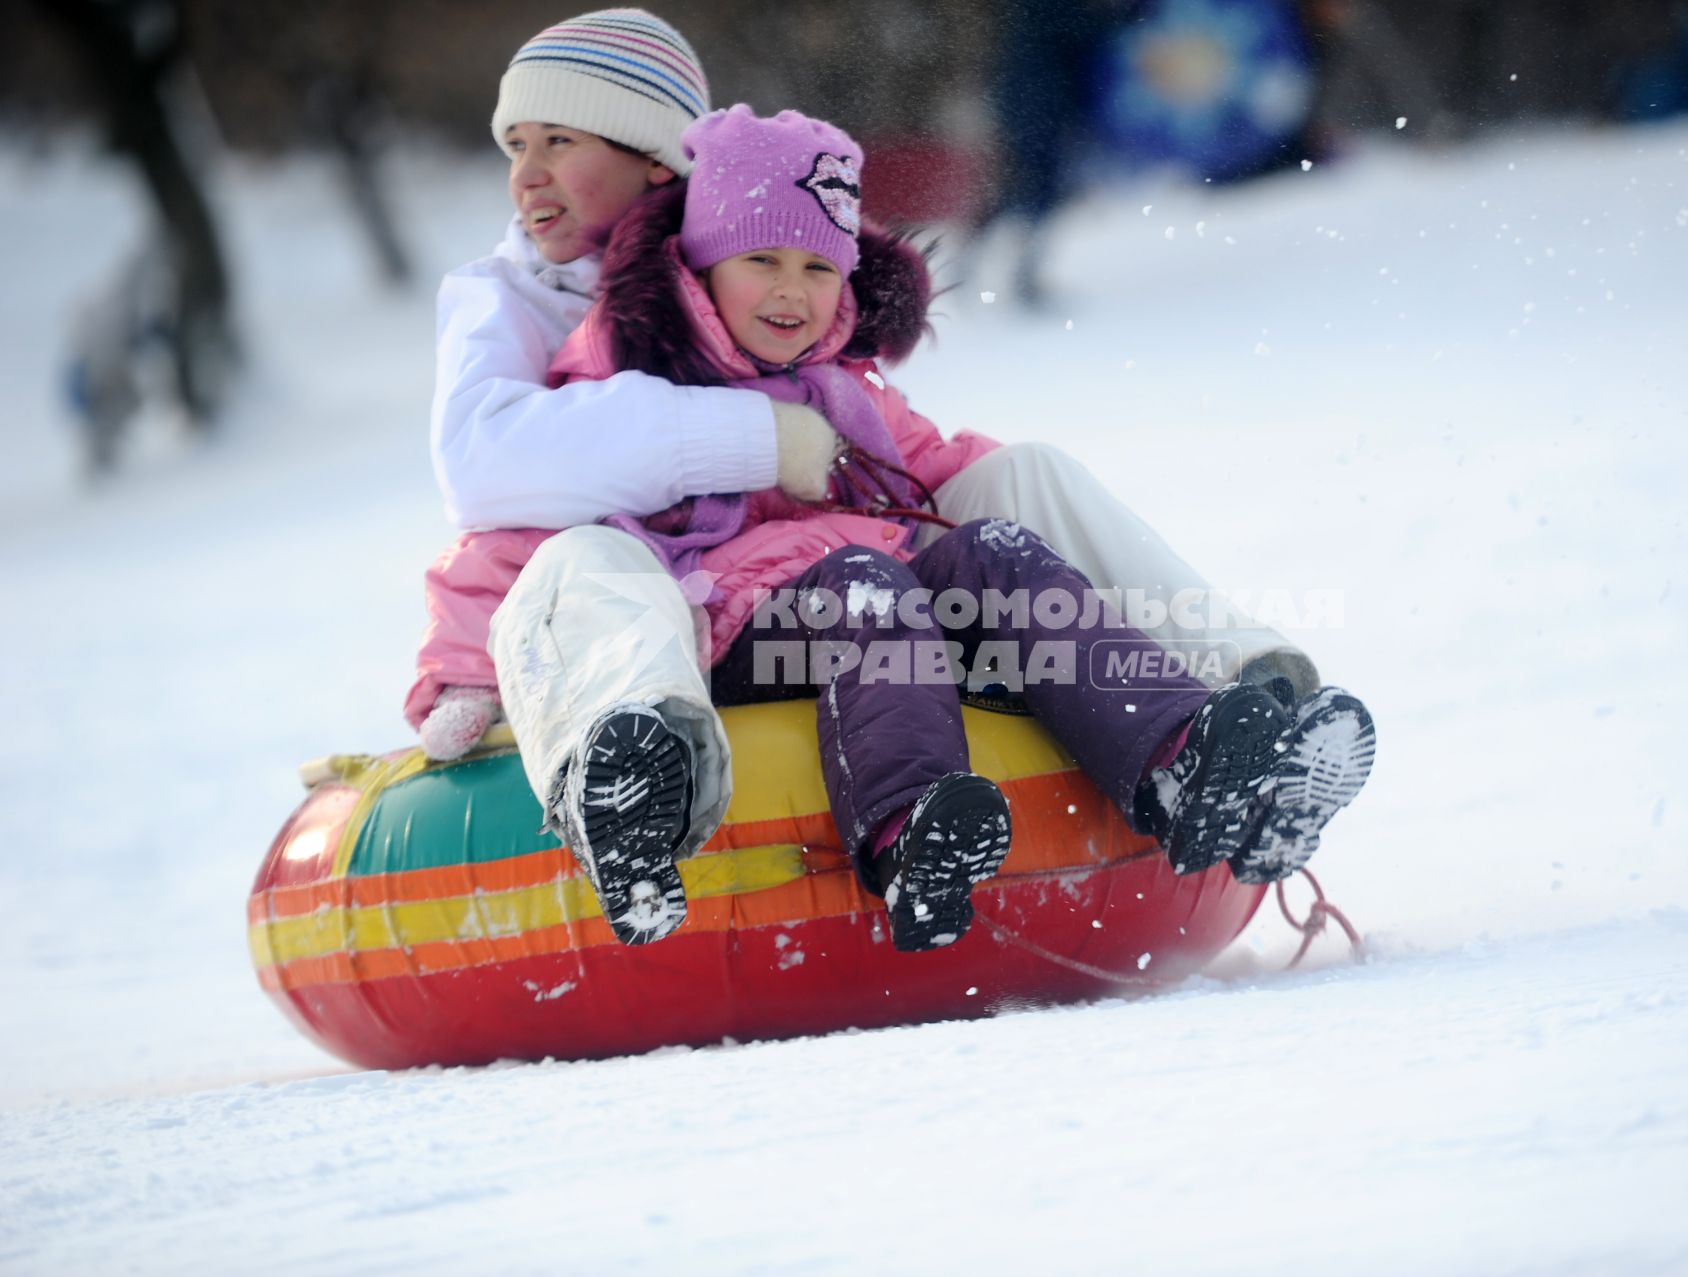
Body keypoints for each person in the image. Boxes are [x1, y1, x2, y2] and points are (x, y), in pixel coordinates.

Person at [415, 8, 1364, 948]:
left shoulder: (787, 311)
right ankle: (649, 785)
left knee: (1010, 500)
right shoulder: (535, 312)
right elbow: (499, 502)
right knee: (689, 569)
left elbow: (913, 452)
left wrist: (987, 534)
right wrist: (462, 674)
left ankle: (1228, 724)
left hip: (858, 581)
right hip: (708, 612)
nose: (525, 174)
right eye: (517, 144)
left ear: (662, 161)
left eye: (559, 141)